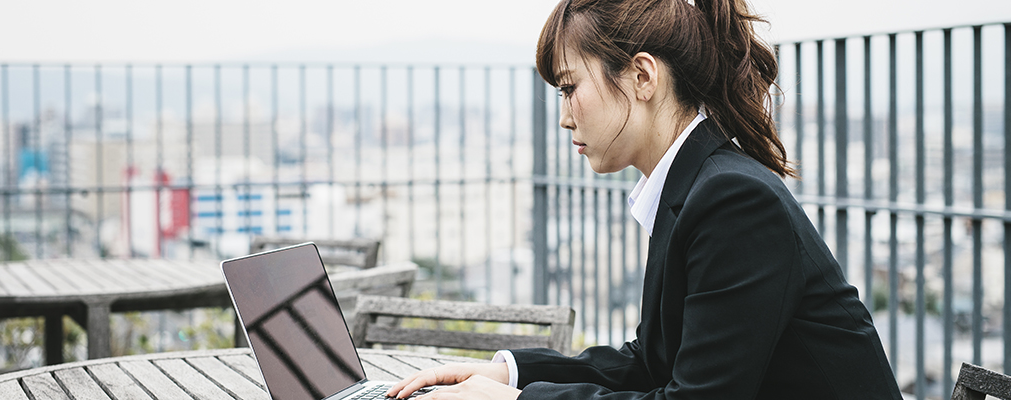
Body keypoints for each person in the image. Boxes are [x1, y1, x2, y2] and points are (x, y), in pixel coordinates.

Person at [386, 0, 904, 398]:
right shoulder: (699, 184)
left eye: (569, 88)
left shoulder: (733, 199)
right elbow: (652, 362)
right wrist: (504, 371)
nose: (565, 116)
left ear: (641, 76)